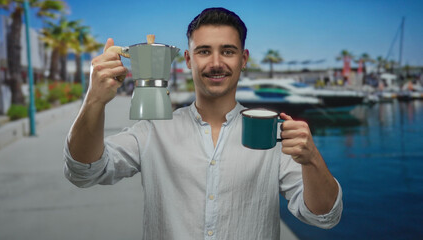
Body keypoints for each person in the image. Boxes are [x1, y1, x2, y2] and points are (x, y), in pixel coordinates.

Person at [64, 7, 342, 240]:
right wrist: (94, 102)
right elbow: (84, 172)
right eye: (204, 51)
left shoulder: (275, 135)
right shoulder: (154, 130)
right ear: (188, 59)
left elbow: (323, 216)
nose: (216, 63)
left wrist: (312, 159)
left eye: (228, 51)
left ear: (243, 59)